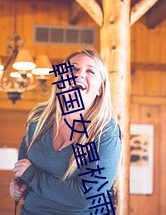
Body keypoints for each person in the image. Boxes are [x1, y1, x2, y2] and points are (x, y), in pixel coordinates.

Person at [9, 49, 122, 215]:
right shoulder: (38, 119)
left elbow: (87, 198)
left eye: (90, 71)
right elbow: (23, 169)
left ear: (100, 89)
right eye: (74, 69)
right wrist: (18, 186)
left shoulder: (105, 132)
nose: (80, 75)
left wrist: (33, 176)